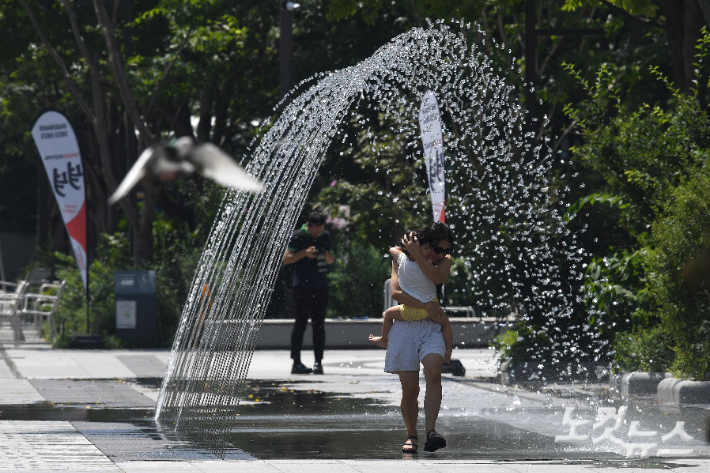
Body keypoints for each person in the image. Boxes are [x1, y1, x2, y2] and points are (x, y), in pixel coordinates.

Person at [383, 222, 454, 454]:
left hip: (431, 326)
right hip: (405, 325)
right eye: (437, 249)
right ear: (426, 245)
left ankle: (431, 431)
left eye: (444, 250)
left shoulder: (444, 261)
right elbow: (396, 293)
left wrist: (416, 254)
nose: (440, 254)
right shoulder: (402, 260)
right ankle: (411, 434)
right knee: (410, 389)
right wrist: (424, 305)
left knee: (434, 370)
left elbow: (437, 278)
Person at [368, 232, 452, 363]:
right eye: (426, 248)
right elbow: (441, 279)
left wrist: (408, 247)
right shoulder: (429, 266)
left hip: (409, 311)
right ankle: (448, 352)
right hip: (431, 309)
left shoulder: (402, 260)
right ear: (414, 251)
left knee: (389, 314)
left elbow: (392, 250)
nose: (430, 251)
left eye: (430, 247)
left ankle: (384, 339)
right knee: (446, 323)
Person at [283, 211, 335, 374]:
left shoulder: (325, 236)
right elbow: (286, 259)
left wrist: (326, 255)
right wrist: (304, 253)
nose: (317, 233)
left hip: (321, 286)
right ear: (309, 225)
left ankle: (318, 361)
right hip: (302, 287)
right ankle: (296, 361)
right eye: (315, 231)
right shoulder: (298, 235)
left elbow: (331, 259)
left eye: (320, 230)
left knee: (319, 325)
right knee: (300, 323)